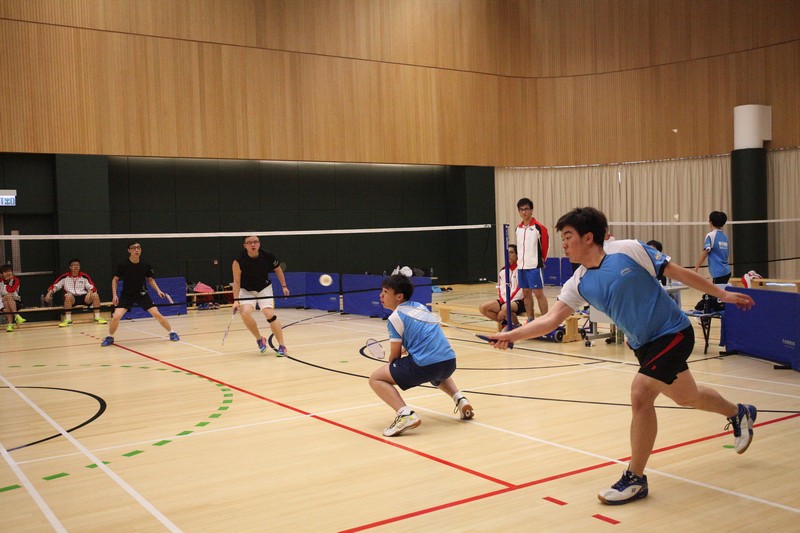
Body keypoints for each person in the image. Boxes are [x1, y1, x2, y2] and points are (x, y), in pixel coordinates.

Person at [489, 207, 757, 505]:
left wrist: (723, 294)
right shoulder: (577, 282)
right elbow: (551, 320)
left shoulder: (627, 250)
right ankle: (738, 413)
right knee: (687, 396)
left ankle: (635, 478)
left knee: (641, 392)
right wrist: (510, 334)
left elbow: (677, 272)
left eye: (567, 237)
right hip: (643, 345)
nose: (563, 244)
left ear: (588, 237)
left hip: (673, 332)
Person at [369, 274, 474, 437]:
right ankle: (460, 400)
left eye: (385, 292)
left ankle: (404, 414)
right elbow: (425, 337)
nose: (380, 295)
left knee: (376, 378)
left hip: (427, 365)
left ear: (399, 296)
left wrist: (391, 362)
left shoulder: (395, 317)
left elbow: (394, 357)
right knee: (436, 368)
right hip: (449, 361)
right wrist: (410, 350)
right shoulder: (419, 307)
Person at [101, 241, 179, 346]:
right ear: (129, 250)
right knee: (116, 316)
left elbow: (150, 280)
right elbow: (115, 280)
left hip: (142, 294)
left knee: (157, 314)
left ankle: (172, 332)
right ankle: (110, 337)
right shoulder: (123, 264)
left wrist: (158, 290)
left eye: (138, 248)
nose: (137, 250)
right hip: (127, 295)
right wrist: (114, 295)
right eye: (134, 248)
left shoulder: (145, 265)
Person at [231, 236, 289, 356]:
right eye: (250, 243)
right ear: (245, 245)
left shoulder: (268, 255)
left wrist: (284, 286)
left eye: (256, 242)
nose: (253, 245)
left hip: (264, 288)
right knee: (245, 312)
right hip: (246, 289)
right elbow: (236, 281)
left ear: (259, 244)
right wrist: (236, 300)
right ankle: (259, 339)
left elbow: (278, 270)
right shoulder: (238, 260)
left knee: (269, 314)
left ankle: (282, 345)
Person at [44, 258, 107, 327]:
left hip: (84, 297)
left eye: (78, 265)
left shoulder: (84, 276)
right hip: (72, 299)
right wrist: (49, 293)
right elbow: (55, 286)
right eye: (74, 265)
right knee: (68, 296)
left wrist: (89, 292)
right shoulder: (64, 277)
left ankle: (97, 318)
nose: (76, 266)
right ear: (70, 267)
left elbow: (92, 287)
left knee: (95, 295)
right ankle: (68, 320)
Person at [515, 198, 549, 322]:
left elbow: (545, 246)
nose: (524, 212)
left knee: (538, 293)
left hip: (534, 266)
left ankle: (546, 321)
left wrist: (542, 261)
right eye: (521, 210)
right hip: (522, 267)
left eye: (526, 209)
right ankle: (530, 319)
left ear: (531, 210)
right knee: (526, 294)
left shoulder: (539, 227)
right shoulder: (518, 229)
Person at [693, 211, 731, 311]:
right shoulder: (725, 237)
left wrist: (696, 267)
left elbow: (706, 251)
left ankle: (701, 309)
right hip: (726, 271)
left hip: (718, 272)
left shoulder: (710, 235)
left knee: (714, 295)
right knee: (718, 294)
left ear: (710, 221)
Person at [479, 244, 525, 329]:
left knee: (505, 308)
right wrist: (503, 300)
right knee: (483, 307)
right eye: (507, 253)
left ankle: (517, 326)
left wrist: (507, 303)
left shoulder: (521, 270)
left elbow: (520, 290)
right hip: (505, 300)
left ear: (517, 255)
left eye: (511, 252)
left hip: (518, 301)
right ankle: (506, 323)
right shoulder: (503, 270)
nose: (509, 255)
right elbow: (501, 288)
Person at [1, 265, 25, 332]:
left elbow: (11, 291)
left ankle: (10, 324)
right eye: (5, 272)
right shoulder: (0, 281)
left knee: (7, 299)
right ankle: (16, 316)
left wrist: (8, 282)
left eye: (9, 271)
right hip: (2, 302)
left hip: (15, 301)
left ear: (12, 272)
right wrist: (1, 308)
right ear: (2, 274)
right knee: (6, 299)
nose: (8, 273)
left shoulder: (15, 280)